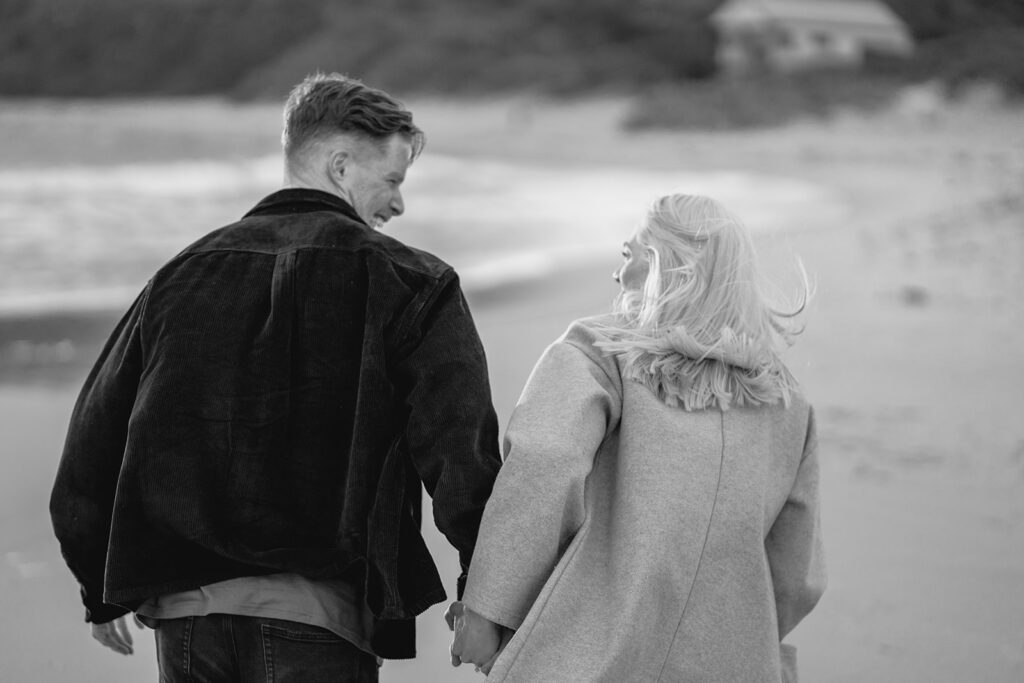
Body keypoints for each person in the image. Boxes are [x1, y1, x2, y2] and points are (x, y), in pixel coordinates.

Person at [49, 72, 502, 682]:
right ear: (341, 167)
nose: (398, 204)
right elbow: (459, 451)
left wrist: (98, 589)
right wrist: (489, 593)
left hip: (188, 631)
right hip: (319, 624)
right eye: (392, 180)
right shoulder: (412, 282)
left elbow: (91, 446)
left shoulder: (180, 277)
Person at [449, 194, 826, 681]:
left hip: (589, 657)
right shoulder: (787, 404)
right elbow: (797, 575)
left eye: (629, 255)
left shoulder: (598, 354)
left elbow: (541, 472)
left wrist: (487, 610)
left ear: (661, 266)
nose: (617, 273)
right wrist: (742, 628)